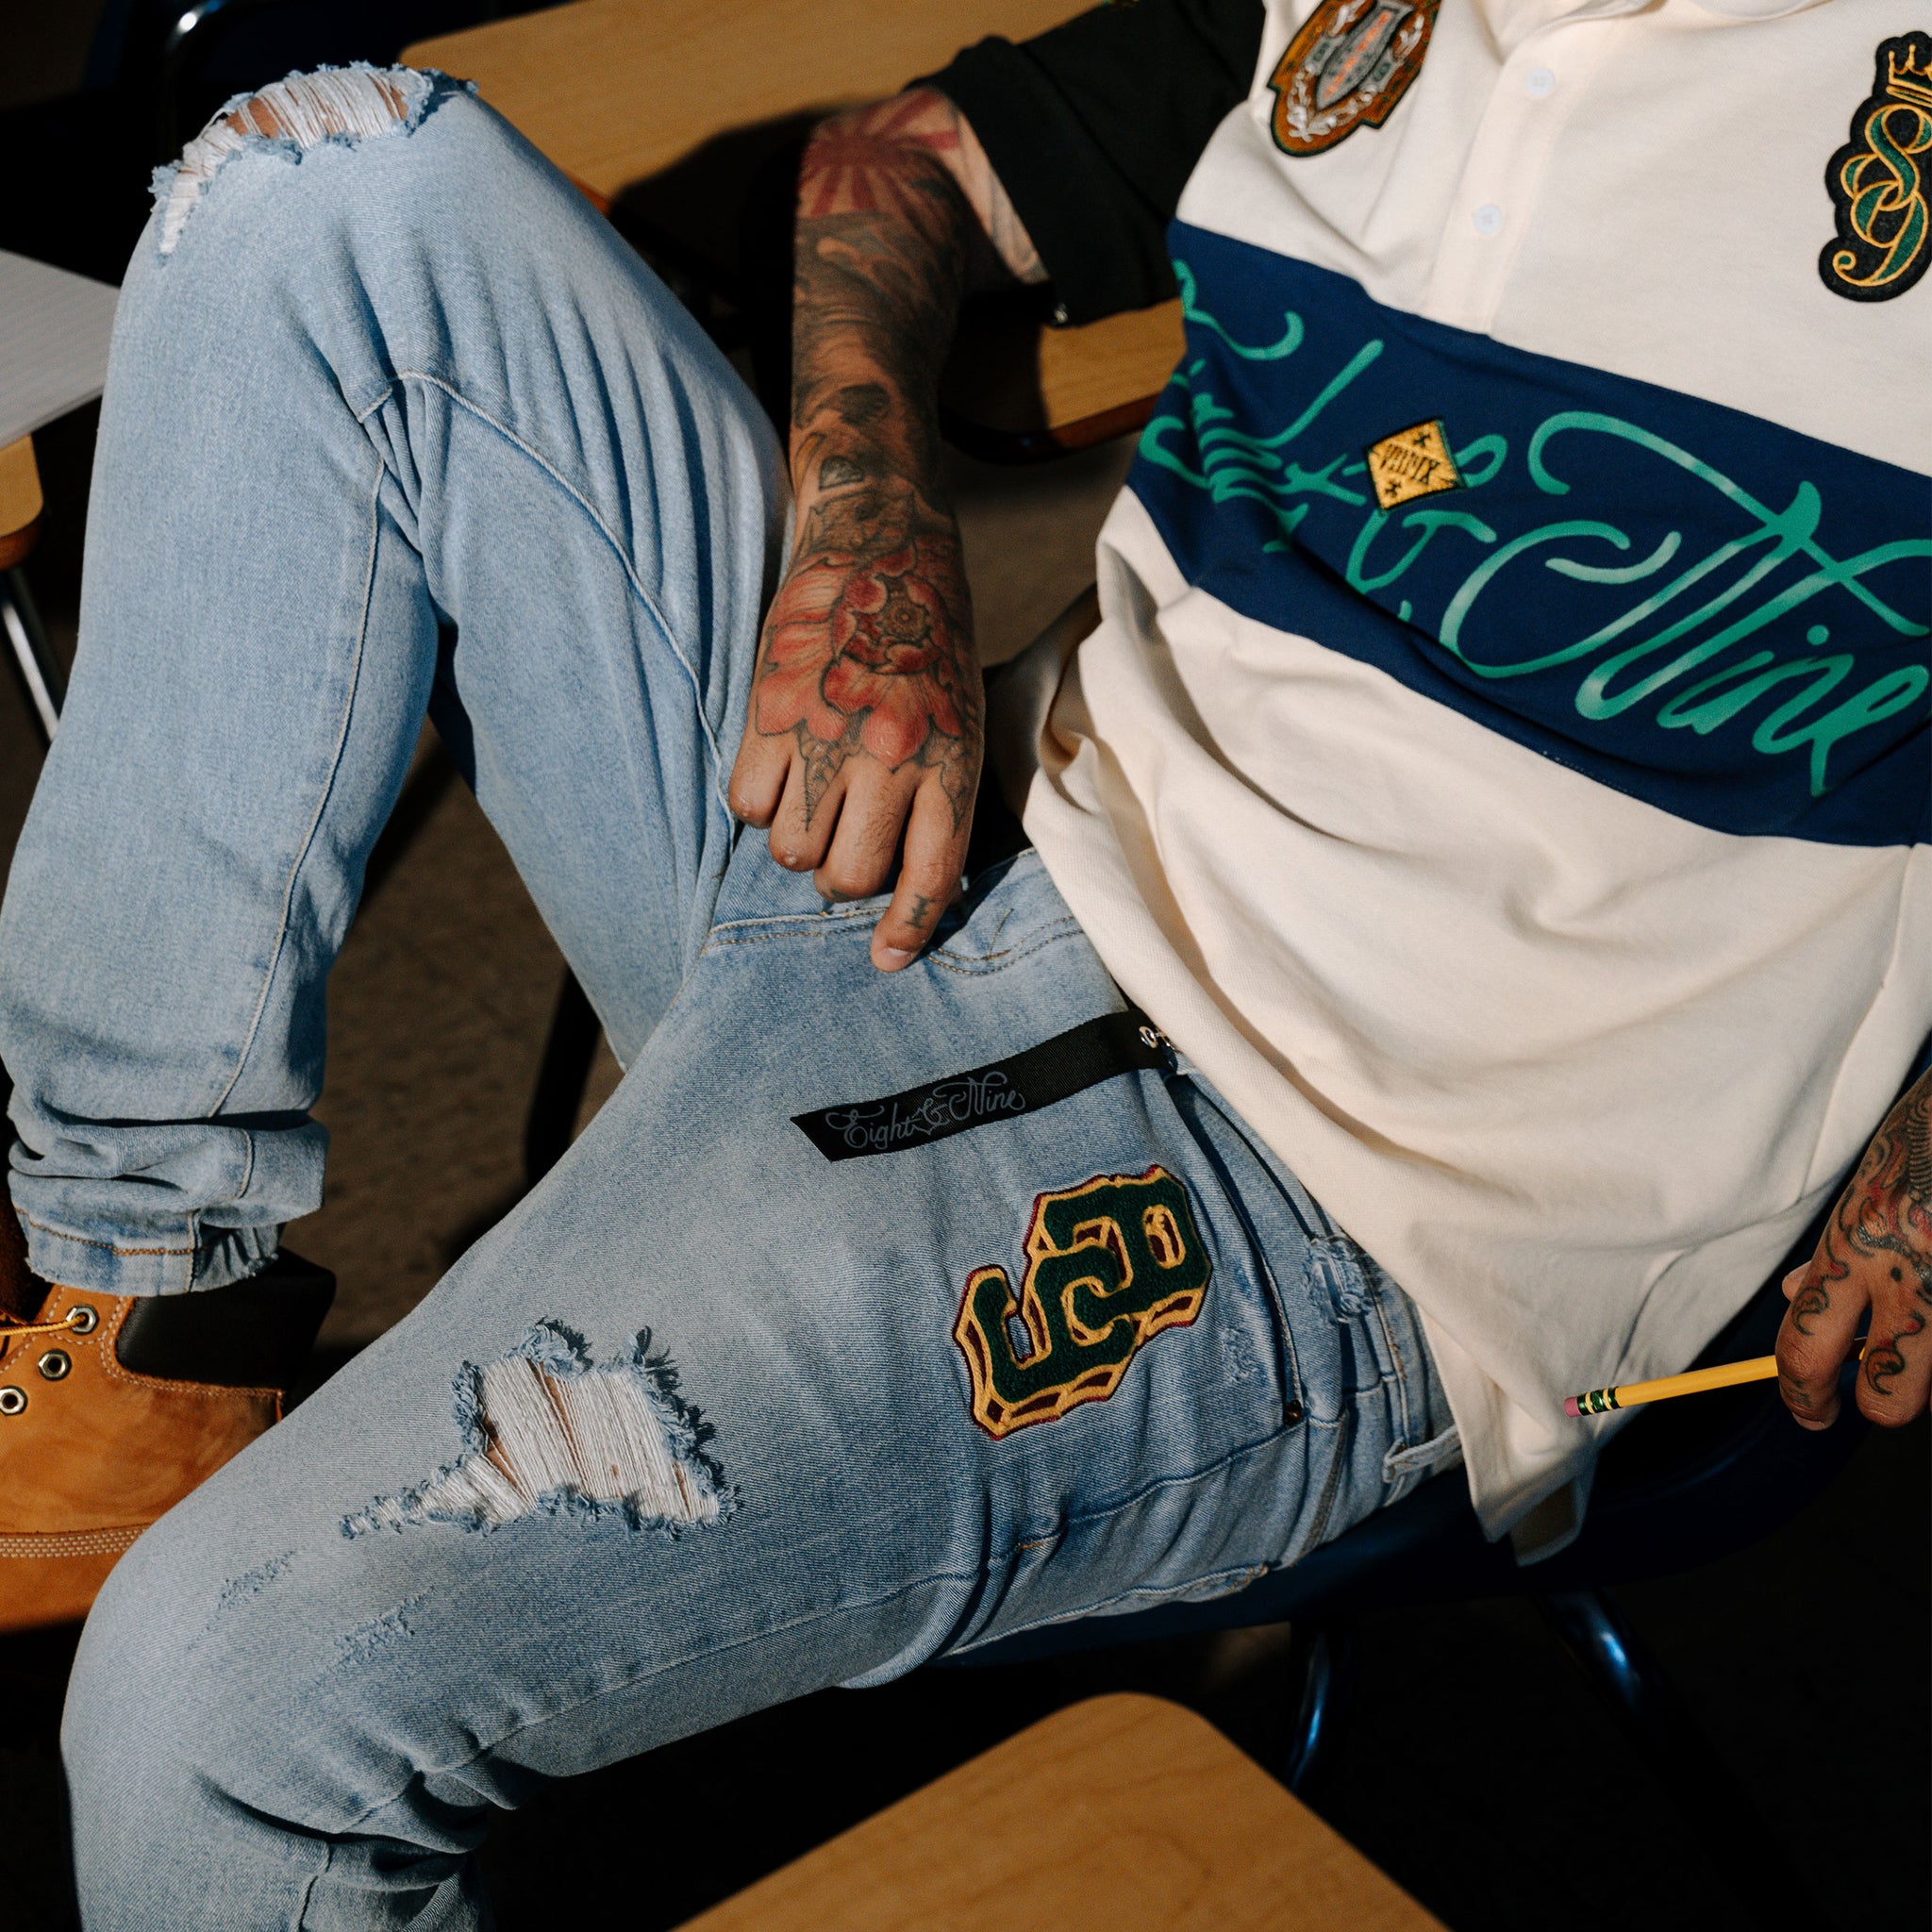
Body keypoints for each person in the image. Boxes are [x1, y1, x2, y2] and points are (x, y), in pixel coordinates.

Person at [0, 1, 1923, 1922]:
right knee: (330, 190)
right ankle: (151, 1326)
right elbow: (901, 163)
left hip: (1328, 1174)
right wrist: (874, 519)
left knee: (225, 1706)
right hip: (967, 808)